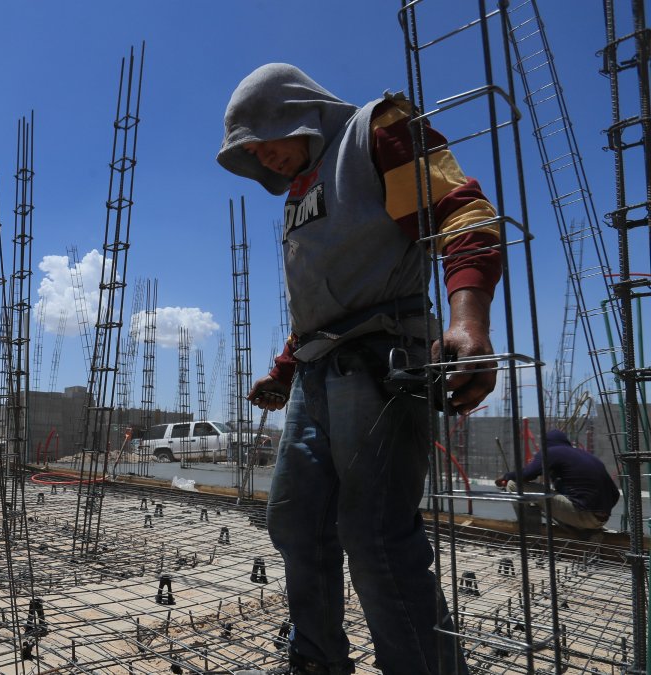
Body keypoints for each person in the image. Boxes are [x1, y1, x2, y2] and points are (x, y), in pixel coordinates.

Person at [218, 64, 503, 674]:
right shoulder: (301, 190)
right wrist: (284, 371)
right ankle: (316, 661)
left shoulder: (377, 131)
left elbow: (461, 214)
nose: (264, 159)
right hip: (317, 372)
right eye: (253, 155)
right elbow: (323, 302)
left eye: (265, 142)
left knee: (374, 533)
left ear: (296, 112)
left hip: (382, 360)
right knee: (296, 522)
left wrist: (469, 320)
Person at [495, 429, 619, 538]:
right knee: (562, 494)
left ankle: (529, 531)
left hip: (582, 515)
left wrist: (506, 476)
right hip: (601, 520)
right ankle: (583, 530)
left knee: (513, 484)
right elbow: (615, 494)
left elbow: (527, 474)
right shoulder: (585, 455)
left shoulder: (551, 451)